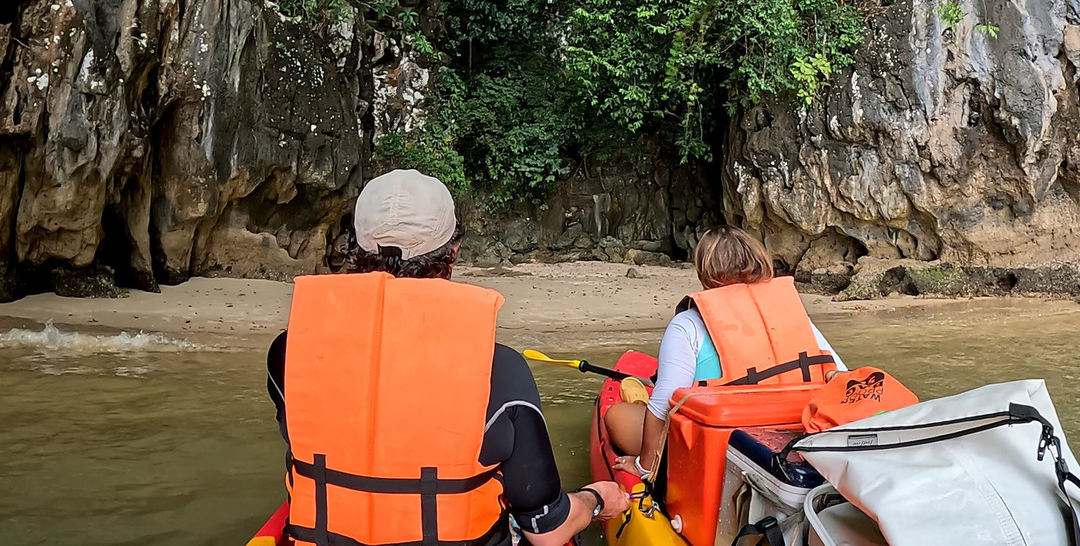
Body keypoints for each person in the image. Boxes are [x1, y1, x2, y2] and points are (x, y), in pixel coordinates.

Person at [266, 168, 629, 546]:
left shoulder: (287, 353)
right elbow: (547, 531)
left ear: (354, 248)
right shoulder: (499, 369)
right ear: (452, 253)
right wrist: (595, 498)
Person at [605, 226, 847, 477]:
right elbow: (839, 374)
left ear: (704, 272)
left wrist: (644, 467)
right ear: (761, 262)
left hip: (714, 447)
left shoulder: (688, 324)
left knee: (618, 415)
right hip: (793, 436)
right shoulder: (793, 315)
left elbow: (665, 399)